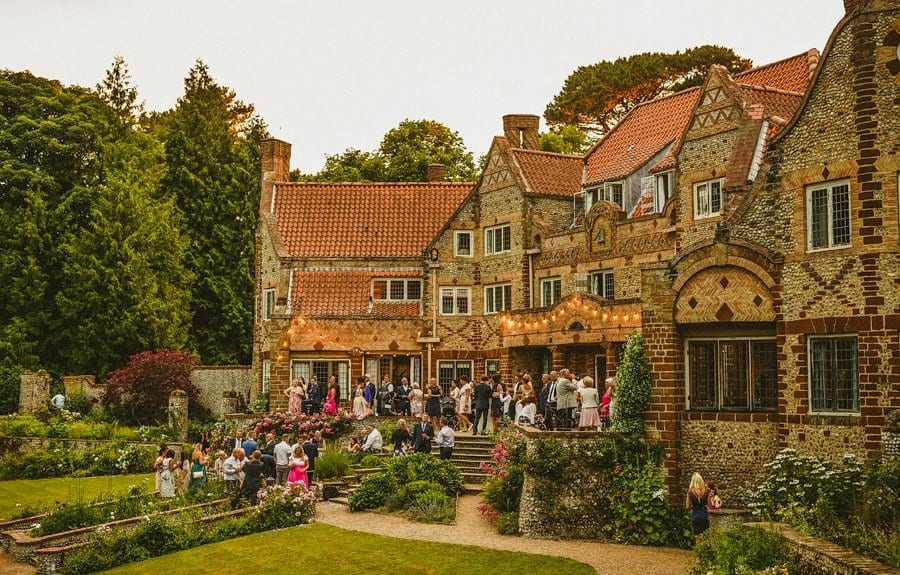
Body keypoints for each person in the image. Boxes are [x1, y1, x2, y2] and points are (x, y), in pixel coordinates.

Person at [686, 472, 712, 542]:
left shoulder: (690, 492)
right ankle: (704, 550)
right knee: (705, 535)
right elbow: (710, 506)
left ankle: (698, 550)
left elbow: (687, 507)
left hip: (695, 515)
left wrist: (693, 506)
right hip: (704, 515)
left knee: (697, 536)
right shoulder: (707, 491)